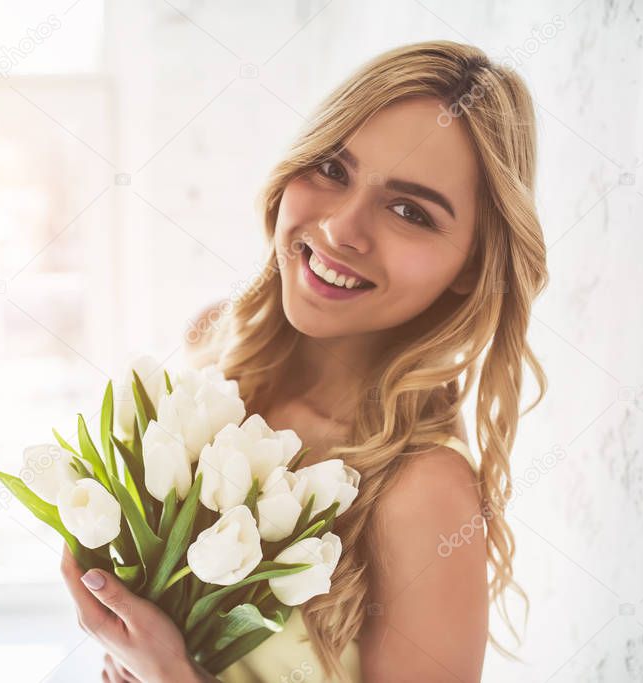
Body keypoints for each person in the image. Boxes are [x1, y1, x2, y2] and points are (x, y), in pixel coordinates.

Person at [63, 39, 548, 682]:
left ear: (472, 268)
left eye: (410, 210)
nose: (341, 230)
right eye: (332, 170)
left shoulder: (423, 495)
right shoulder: (214, 345)